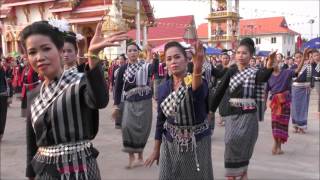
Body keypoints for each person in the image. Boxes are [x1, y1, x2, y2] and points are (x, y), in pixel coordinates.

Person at [23, 20, 127, 179]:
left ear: (59, 50)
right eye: (32, 52)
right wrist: (31, 175)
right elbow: (32, 144)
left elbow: (99, 100)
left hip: (81, 169)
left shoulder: (80, 82)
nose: (39, 57)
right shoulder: (34, 95)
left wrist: (92, 58)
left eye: (46, 49)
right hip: (45, 172)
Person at [145, 41, 213, 180]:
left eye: (177, 57)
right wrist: (156, 149)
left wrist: (197, 68)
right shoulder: (164, 87)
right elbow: (160, 120)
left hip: (196, 143)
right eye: (169, 59)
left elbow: (197, 93)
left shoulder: (198, 81)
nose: (173, 61)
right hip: (169, 143)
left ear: (187, 59)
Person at [210, 38, 275, 180]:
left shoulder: (254, 72)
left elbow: (264, 77)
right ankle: (232, 174)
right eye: (238, 52)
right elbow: (220, 91)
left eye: (244, 53)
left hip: (249, 115)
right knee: (230, 141)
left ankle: (243, 171)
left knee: (246, 143)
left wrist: (270, 64)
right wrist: (211, 110)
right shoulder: (231, 71)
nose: (240, 55)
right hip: (233, 114)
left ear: (251, 56)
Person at [113, 42, 153, 169]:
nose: (132, 53)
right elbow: (118, 88)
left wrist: (151, 54)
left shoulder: (144, 66)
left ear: (138, 52)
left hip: (144, 101)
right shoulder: (122, 69)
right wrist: (116, 105)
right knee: (126, 127)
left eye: (134, 50)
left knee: (141, 128)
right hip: (129, 101)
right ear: (126, 53)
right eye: (129, 51)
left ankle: (140, 158)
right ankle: (131, 158)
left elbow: (154, 69)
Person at [266, 48, 307, 155]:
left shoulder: (286, 72)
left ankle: (279, 147)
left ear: (279, 63)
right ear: (270, 64)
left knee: (283, 125)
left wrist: (304, 56)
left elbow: (298, 70)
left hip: (286, 103)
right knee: (275, 124)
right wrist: (265, 104)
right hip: (275, 104)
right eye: (272, 62)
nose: (274, 63)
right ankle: (275, 145)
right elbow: (266, 91)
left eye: (276, 61)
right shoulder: (269, 76)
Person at [291, 51, 316, 134]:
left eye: (300, 57)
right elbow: (290, 79)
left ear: (303, 57)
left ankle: (302, 126)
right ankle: (295, 126)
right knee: (295, 108)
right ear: (294, 58)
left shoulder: (308, 66)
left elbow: (312, 77)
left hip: (305, 90)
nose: (298, 59)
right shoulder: (293, 67)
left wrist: (311, 85)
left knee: (303, 108)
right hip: (295, 90)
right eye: (296, 57)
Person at [112, 54, 127, 129]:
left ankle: (124, 122)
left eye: (122, 59)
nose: (120, 61)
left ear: (124, 60)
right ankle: (118, 123)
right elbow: (112, 78)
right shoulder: (116, 68)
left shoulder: (127, 68)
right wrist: (112, 86)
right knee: (118, 105)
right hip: (116, 88)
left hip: (124, 89)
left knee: (123, 105)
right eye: (119, 59)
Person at [0, 59, 10, 142]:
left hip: (3, 94)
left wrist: (8, 94)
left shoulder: (3, 69)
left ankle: (1, 133)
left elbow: (6, 81)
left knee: (3, 115)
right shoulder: (3, 69)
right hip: (3, 93)